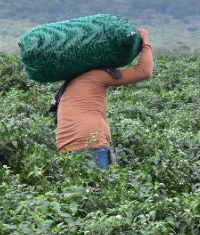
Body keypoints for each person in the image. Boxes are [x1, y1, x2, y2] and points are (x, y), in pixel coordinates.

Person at [54, 27, 153, 170]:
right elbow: (144, 71)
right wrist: (146, 41)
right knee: (99, 190)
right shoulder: (95, 75)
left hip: (67, 147)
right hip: (89, 145)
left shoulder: (72, 80)